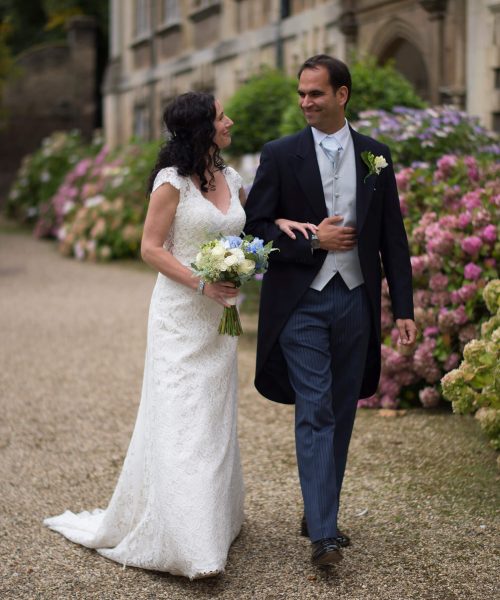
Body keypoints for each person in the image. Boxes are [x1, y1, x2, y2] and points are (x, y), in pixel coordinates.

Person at [44, 92, 247, 579]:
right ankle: (190, 544)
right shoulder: (171, 183)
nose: (230, 122)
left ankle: (215, 518)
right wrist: (203, 282)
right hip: (181, 316)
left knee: (213, 419)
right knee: (181, 418)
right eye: (221, 117)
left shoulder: (234, 177)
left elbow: (251, 228)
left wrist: (249, 260)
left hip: (220, 319)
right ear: (201, 127)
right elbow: (150, 248)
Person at [244, 55, 417, 567]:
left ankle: (317, 508)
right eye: (301, 93)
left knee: (342, 411)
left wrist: (402, 306)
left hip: (356, 300)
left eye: (315, 93)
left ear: (342, 95)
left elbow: (393, 237)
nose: (305, 102)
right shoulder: (280, 154)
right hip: (301, 302)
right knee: (315, 409)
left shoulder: (376, 157)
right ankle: (324, 534)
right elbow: (255, 232)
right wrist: (312, 241)